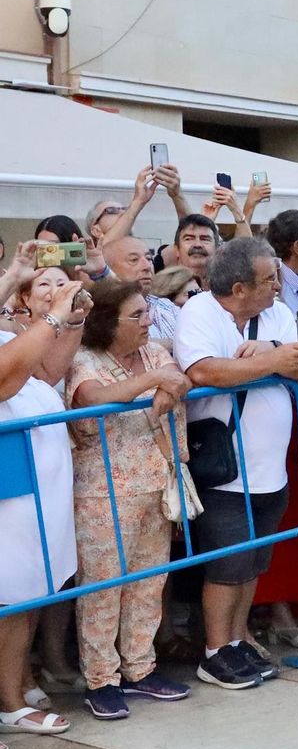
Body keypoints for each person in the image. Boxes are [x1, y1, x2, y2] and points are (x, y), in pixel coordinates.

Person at [174, 237, 298, 689]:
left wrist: (268, 353)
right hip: (224, 466)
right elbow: (204, 371)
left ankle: (237, 641)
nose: (278, 285)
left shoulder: (277, 314)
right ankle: (215, 651)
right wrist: (275, 359)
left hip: (271, 465)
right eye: (269, 278)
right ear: (239, 288)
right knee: (227, 565)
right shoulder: (199, 311)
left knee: (254, 561)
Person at [66, 280, 194, 719]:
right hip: (103, 492)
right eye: (136, 315)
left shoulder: (154, 352)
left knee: (148, 582)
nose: (148, 321)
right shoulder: (83, 359)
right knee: (103, 588)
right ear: (107, 321)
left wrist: (166, 384)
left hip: (156, 482)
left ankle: (140, 667)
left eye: (147, 312)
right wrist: (155, 381)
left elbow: (179, 378)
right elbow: (93, 398)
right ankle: (101, 679)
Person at [0, 272, 87, 745]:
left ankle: (16, 689)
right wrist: (52, 317)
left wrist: (71, 320)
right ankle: (10, 702)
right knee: (12, 597)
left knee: (26, 596)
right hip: (9, 492)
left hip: (30, 492)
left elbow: (47, 371)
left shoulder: (11, 336)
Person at [103, 236, 181, 347]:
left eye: (149, 259)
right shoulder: (102, 313)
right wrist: (175, 345)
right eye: (134, 260)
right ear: (109, 270)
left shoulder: (168, 307)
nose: (147, 267)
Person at [163, 215, 221, 290]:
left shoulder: (229, 288)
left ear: (217, 249)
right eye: (189, 239)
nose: (197, 244)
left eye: (205, 239)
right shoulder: (163, 289)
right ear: (177, 250)